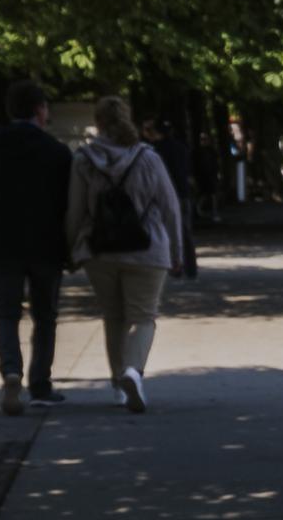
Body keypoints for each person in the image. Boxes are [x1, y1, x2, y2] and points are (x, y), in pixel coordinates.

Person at [67, 97, 193, 411]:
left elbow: (75, 211)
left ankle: (117, 385)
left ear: (98, 123)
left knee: (113, 317)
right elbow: (170, 208)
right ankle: (134, 372)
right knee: (143, 317)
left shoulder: (83, 159)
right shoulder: (148, 158)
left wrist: (70, 250)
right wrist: (178, 252)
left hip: (101, 251)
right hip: (147, 249)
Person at [0, 82, 76, 415]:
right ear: (40, 110)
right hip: (45, 244)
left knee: (6, 313)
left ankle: (11, 370)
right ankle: (40, 384)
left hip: (1, 243)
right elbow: (68, 204)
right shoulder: (56, 151)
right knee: (45, 315)